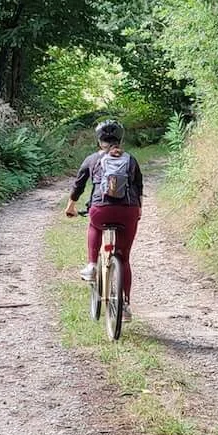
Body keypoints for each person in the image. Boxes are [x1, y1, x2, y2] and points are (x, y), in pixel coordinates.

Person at [65, 120, 144, 307]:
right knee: (124, 258)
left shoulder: (92, 159)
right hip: (129, 211)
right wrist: (139, 209)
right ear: (120, 140)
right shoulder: (131, 159)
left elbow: (78, 185)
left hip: (101, 210)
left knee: (94, 225)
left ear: (99, 141)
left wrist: (70, 207)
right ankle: (125, 306)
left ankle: (92, 265)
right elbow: (138, 186)